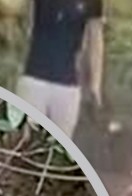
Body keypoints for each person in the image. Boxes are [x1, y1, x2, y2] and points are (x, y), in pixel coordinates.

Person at [16, 0, 105, 138]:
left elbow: (96, 39)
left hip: (67, 85)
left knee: (59, 148)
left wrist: (95, 85)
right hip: (34, 78)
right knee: (24, 142)